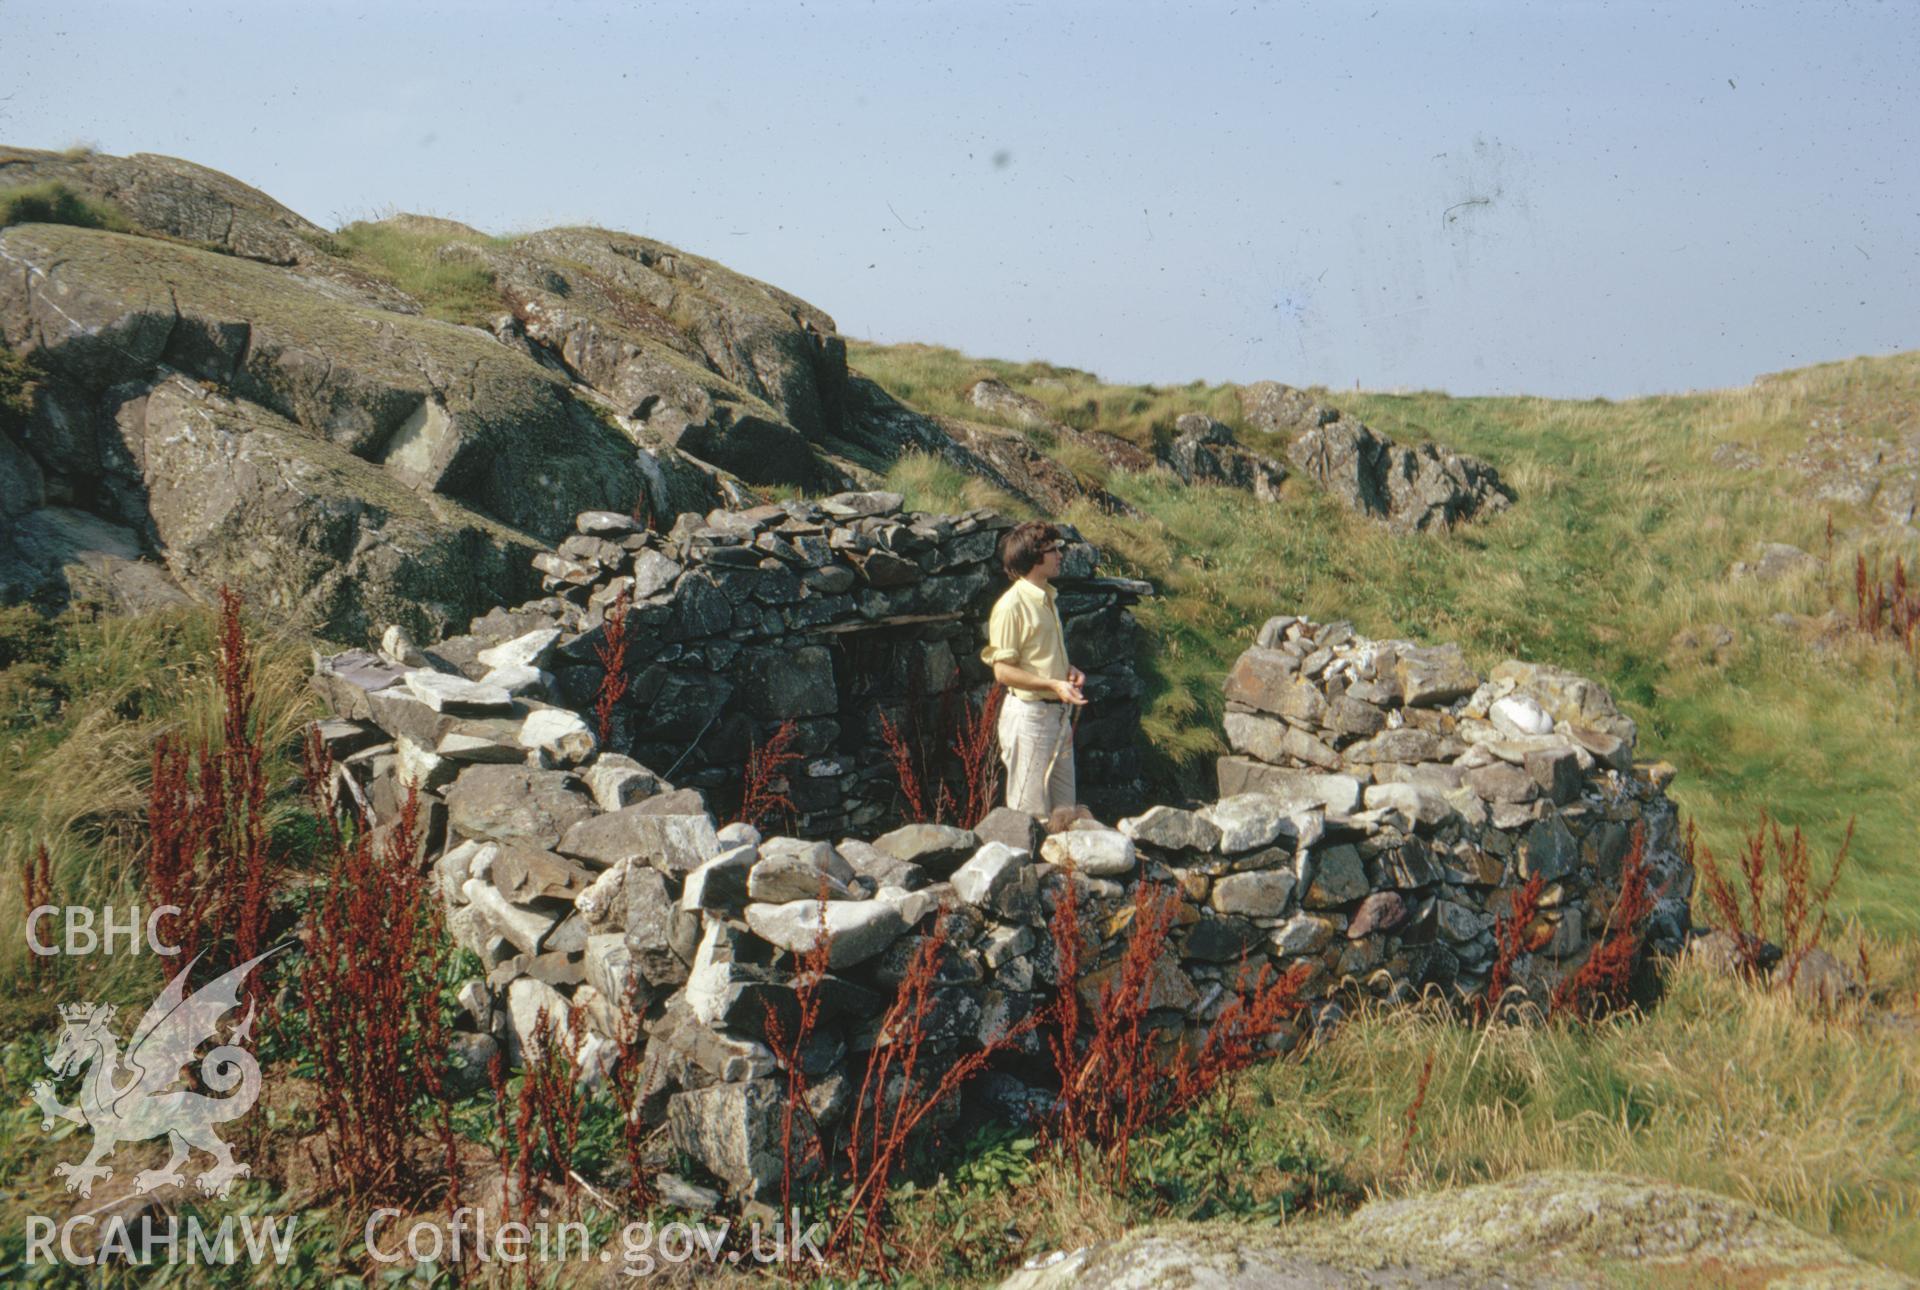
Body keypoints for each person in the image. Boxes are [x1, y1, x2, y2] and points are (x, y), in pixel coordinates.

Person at [980, 520, 1088, 825]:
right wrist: (1052, 684)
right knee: (1030, 817)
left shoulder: (1048, 598)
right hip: (1029, 717)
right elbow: (1002, 671)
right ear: (1032, 557)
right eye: (1052, 550)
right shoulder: (1011, 606)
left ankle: (1066, 874)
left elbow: (1038, 655)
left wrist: (1067, 670)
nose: (1060, 555)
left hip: (1057, 716)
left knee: (1065, 813)